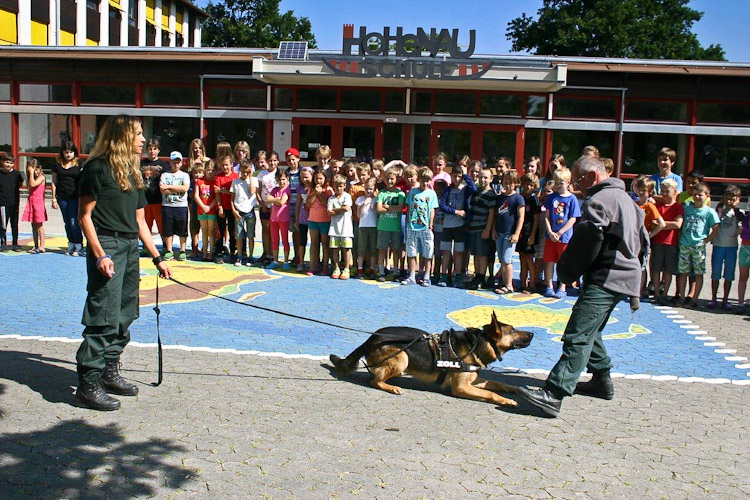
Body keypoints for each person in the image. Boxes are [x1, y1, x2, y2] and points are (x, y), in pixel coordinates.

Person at [517, 155, 648, 418]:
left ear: (592, 176)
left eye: (578, 180)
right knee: (592, 328)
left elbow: (588, 240)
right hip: (624, 276)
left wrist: (568, 271)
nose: (577, 185)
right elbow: (644, 242)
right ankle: (601, 380)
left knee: (578, 332)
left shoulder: (600, 201)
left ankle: (554, 393)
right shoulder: (629, 202)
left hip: (607, 276)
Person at [75, 114, 172, 411]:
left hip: (130, 247)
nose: (143, 139)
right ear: (122, 136)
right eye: (139, 133)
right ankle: (87, 384)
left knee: (126, 311)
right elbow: (84, 216)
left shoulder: (133, 170)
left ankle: (109, 370)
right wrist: (100, 254)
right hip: (108, 245)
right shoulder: (97, 167)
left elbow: (140, 221)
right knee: (103, 313)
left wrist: (157, 257)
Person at [676, 182, 719, 308]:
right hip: (684, 245)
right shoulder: (687, 209)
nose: (697, 197)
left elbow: (716, 229)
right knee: (683, 272)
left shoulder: (709, 212)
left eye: (700, 195)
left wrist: (705, 241)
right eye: (695, 195)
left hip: (698, 246)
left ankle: (694, 299)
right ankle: (682, 297)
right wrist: (680, 239)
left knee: (698, 273)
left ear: (707, 196)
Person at [543, 167, 581, 299]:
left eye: (561, 183)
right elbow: (546, 216)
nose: (559, 185)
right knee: (549, 261)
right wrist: (550, 231)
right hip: (550, 236)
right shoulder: (551, 198)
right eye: (557, 182)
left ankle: (562, 287)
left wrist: (559, 233)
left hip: (564, 237)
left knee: (563, 262)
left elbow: (573, 218)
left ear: (568, 182)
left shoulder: (572, 199)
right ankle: (549, 286)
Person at [437, 165, 477, 288]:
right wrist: (456, 212)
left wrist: (465, 175)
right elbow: (442, 205)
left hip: (460, 226)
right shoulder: (447, 190)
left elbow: (474, 189)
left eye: (459, 176)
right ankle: (444, 276)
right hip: (447, 225)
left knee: (459, 252)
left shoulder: (465, 189)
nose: (457, 179)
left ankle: (458, 276)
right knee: (446, 251)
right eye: (455, 176)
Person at [402, 167, 438, 287]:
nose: (425, 183)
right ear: (419, 179)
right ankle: (412, 275)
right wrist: (407, 222)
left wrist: (430, 224)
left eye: (428, 181)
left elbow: (432, 210)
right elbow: (409, 208)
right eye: (423, 180)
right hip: (412, 226)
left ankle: (426, 276)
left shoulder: (432, 193)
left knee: (427, 252)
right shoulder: (413, 192)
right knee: (411, 252)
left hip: (425, 227)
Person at [709, 185, 743, 310]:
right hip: (718, 245)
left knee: (729, 274)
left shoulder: (739, 212)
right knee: (716, 273)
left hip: (731, 247)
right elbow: (715, 218)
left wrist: (736, 208)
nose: (729, 201)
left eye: (733, 199)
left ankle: (725, 299)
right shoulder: (719, 211)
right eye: (727, 198)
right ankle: (713, 298)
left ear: (738, 199)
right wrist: (720, 205)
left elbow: (742, 220)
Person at [650, 179, 684, 305]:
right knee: (656, 268)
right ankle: (657, 294)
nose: (664, 194)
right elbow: (653, 225)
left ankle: (665, 294)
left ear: (675, 192)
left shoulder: (678, 207)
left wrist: (662, 224)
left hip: (671, 243)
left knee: (668, 270)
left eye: (667, 191)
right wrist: (667, 224)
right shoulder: (657, 206)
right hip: (658, 241)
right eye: (662, 191)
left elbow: (678, 225)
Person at [492, 170, 525, 294]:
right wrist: (494, 229)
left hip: (510, 234)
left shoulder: (518, 198)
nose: (507, 185)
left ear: (516, 183)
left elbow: (521, 216)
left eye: (510, 183)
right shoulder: (500, 198)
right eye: (505, 182)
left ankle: (509, 285)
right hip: (499, 232)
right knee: (501, 259)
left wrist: (516, 233)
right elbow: (496, 215)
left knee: (507, 259)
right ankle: (504, 282)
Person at [633, 176, 666, 298]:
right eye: (640, 189)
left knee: (642, 266)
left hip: (643, 241)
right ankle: (632, 288)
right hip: (633, 239)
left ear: (650, 192)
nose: (641, 192)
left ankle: (640, 290)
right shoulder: (634, 204)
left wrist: (649, 235)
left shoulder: (650, 207)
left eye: (644, 190)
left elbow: (661, 224)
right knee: (633, 264)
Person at [465, 168, 496, 290]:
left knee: (482, 254)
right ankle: (477, 275)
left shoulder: (491, 194)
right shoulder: (476, 191)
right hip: (473, 227)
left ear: (491, 179)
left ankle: (482, 277)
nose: (483, 180)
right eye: (481, 177)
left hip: (483, 227)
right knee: (476, 254)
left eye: (486, 177)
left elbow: (492, 213)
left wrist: (488, 229)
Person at [51, 141, 83, 255]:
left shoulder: (79, 163)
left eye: (71, 152)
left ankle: (78, 245)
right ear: (62, 153)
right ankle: (71, 243)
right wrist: (54, 198)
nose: (68, 154)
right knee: (66, 221)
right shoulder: (57, 164)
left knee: (74, 221)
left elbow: (83, 180)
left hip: (75, 196)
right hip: (62, 197)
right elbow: (54, 182)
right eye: (66, 152)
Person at [376, 166, 406, 282]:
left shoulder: (400, 194)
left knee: (395, 249)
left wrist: (386, 206)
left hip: (395, 227)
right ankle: (382, 271)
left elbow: (400, 208)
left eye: (392, 179)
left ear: (396, 179)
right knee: (382, 249)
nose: (390, 181)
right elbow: (378, 208)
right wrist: (392, 208)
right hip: (383, 226)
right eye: (387, 179)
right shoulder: (382, 193)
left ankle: (395, 271)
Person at [306, 169, 333, 275]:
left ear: (325, 179)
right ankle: (312, 267)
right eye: (316, 178)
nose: (318, 181)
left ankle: (325, 267)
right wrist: (314, 193)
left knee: (325, 244)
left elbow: (328, 204)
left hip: (325, 220)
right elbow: (308, 204)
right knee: (314, 243)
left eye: (321, 178)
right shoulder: (311, 189)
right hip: (313, 219)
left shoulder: (329, 190)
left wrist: (320, 194)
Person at [231, 160, 258, 267]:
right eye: (243, 171)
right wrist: (234, 210)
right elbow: (232, 198)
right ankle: (240, 256)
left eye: (247, 171)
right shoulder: (235, 182)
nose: (245, 174)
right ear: (240, 170)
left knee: (251, 235)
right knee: (239, 236)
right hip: (239, 211)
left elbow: (252, 192)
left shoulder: (253, 180)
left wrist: (251, 177)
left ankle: (250, 256)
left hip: (250, 211)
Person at [213, 154, 240, 264]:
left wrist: (222, 191)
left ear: (231, 164)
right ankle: (219, 251)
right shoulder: (218, 177)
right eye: (223, 165)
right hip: (222, 207)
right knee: (220, 231)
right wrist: (219, 207)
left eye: (227, 165)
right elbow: (216, 193)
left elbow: (235, 193)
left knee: (232, 231)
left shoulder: (235, 177)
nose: (225, 167)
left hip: (233, 208)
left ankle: (233, 251)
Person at [327, 174, 354, 279]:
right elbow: (329, 212)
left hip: (346, 228)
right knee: (335, 249)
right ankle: (336, 267)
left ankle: (347, 268)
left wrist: (336, 210)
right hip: (334, 228)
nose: (339, 188)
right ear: (333, 186)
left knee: (346, 249)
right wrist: (339, 209)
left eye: (341, 186)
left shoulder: (347, 196)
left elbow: (346, 208)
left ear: (344, 186)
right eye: (337, 186)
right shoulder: (331, 198)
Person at [140, 138, 168, 239]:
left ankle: (165, 245)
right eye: (150, 149)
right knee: (146, 225)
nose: (152, 151)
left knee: (161, 225)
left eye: (154, 149)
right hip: (145, 200)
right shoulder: (141, 164)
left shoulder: (163, 165)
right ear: (147, 150)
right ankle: (146, 246)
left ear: (158, 150)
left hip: (158, 199)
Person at [517, 173, 541, 293]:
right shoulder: (521, 197)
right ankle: (523, 282)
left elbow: (536, 219)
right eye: (526, 184)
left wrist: (532, 235)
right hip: (521, 232)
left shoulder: (534, 199)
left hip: (529, 232)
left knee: (529, 258)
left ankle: (532, 283)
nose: (528, 187)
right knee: (521, 257)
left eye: (531, 185)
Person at [266, 169, 291, 270]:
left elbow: (282, 202)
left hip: (284, 219)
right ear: (276, 180)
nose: (282, 182)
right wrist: (276, 199)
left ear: (287, 179)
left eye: (284, 179)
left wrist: (274, 200)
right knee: (275, 240)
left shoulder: (287, 189)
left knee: (285, 240)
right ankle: (275, 260)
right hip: (273, 219)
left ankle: (285, 261)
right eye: (280, 179)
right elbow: (267, 199)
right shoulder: (274, 190)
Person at [193, 161, 217, 262]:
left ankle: (211, 253)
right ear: (204, 171)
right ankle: (204, 253)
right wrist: (203, 206)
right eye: (208, 170)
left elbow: (216, 197)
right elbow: (196, 195)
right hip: (201, 210)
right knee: (204, 231)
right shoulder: (199, 181)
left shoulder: (215, 182)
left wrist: (209, 207)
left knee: (211, 232)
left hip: (211, 211)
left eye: (212, 170)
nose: (210, 172)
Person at [355, 177, 379, 279]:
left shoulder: (377, 199)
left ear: (374, 189)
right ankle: (360, 269)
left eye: (371, 189)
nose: (369, 191)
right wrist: (363, 204)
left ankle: (372, 269)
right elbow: (358, 214)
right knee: (361, 248)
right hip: (363, 227)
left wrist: (375, 206)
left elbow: (378, 213)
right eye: (367, 188)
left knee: (373, 249)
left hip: (374, 227)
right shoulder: (360, 199)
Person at [22, 159, 47, 253]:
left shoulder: (41, 177)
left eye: (36, 169)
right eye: (33, 170)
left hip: (38, 203)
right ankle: (36, 245)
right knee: (33, 224)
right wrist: (30, 175)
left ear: (40, 168)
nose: (35, 172)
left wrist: (32, 173)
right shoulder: (31, 178)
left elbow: (33, 185)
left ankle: (42, 246)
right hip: (31, 202)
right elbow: (29, 187)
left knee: (39, 225)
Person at [295, 166, 314, 272]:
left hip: (314, 218)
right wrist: (297, 219)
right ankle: (301, 261)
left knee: (315, 241)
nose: (304, 179)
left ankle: (315, 261)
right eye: (302, 177)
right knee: (302, 241)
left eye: (306, 177)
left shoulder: (315, 188)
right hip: (303, 218)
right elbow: (298, 204)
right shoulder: (300, 188)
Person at [285, 148, 302, 265]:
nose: (291, 162)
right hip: (289, 205)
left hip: (300, 205)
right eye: (289, 160)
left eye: (293, 159)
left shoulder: (303, 172)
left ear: (298, 159)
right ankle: (296, 256)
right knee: (293, 231)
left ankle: (300, 256)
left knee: (300, 232)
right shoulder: (285, 173)